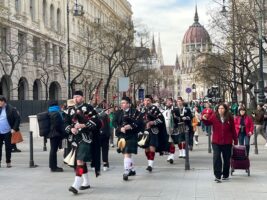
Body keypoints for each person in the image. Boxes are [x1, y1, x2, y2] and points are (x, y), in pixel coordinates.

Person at [64, 91, 102, 194]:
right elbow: (65, 122)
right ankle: (86, 182)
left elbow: (96, 121)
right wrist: (71, 129)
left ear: (82, 98)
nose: (76, 99)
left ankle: (76, 184)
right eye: (74, 97)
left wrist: (83, 125)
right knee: (81, 161)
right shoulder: (70, 109)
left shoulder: (88, 108)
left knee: (80, 161)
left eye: (78, 97)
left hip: (86, 138)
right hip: (75, 139)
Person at [202, 103, 238, 183]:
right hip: (216, 141)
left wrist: (235, 140)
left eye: (222, 108)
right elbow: (208, 123)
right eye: (219, 108)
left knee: (226, 159)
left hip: (227, 142)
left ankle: (225, 174)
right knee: (216, 158)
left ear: (225, 109)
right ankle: (217, 176)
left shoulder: (229, 117)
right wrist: (204, 118)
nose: (220, 110)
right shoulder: (214, 116)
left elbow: (233, 129)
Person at [113, 96, 143, 181]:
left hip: (132, 134)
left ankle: (126, 171)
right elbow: (114, 122)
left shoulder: (135, 112)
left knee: (127, 152)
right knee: (126, 153)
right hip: (122, 135)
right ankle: (132, 169)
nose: (122, 104)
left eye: (124, 103)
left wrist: (130, 126)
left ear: (129, 104)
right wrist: (120, 128)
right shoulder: (118, 113)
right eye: (121, 103)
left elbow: (139, 122)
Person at [142, 95, 168, 172]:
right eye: (145, 100)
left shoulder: (155, 109)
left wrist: (152, 122)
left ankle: (150, 165)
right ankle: (149, 161)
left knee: (152, 146)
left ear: (151, 101)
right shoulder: (142, 110)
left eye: (148, 100)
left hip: (153, 131)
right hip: (145, 131)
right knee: (146, 149)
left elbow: (161, 120)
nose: (146, 102)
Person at [0, 95, 20, 168]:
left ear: (3, 101)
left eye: (0, 101)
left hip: (8, 132)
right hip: (0, 132)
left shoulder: (11, 109)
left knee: (8, 148)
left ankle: (8, 162)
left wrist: (14, 129)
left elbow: (17, 119)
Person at [47, 100, 66, 172]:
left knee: (53, 150)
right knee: (53, 150)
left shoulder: (49, 111)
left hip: (52, 133)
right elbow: (57, 125)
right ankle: (53, 167)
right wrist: (62, 132)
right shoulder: (56, 113)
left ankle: (52, 166)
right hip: (56, 134)